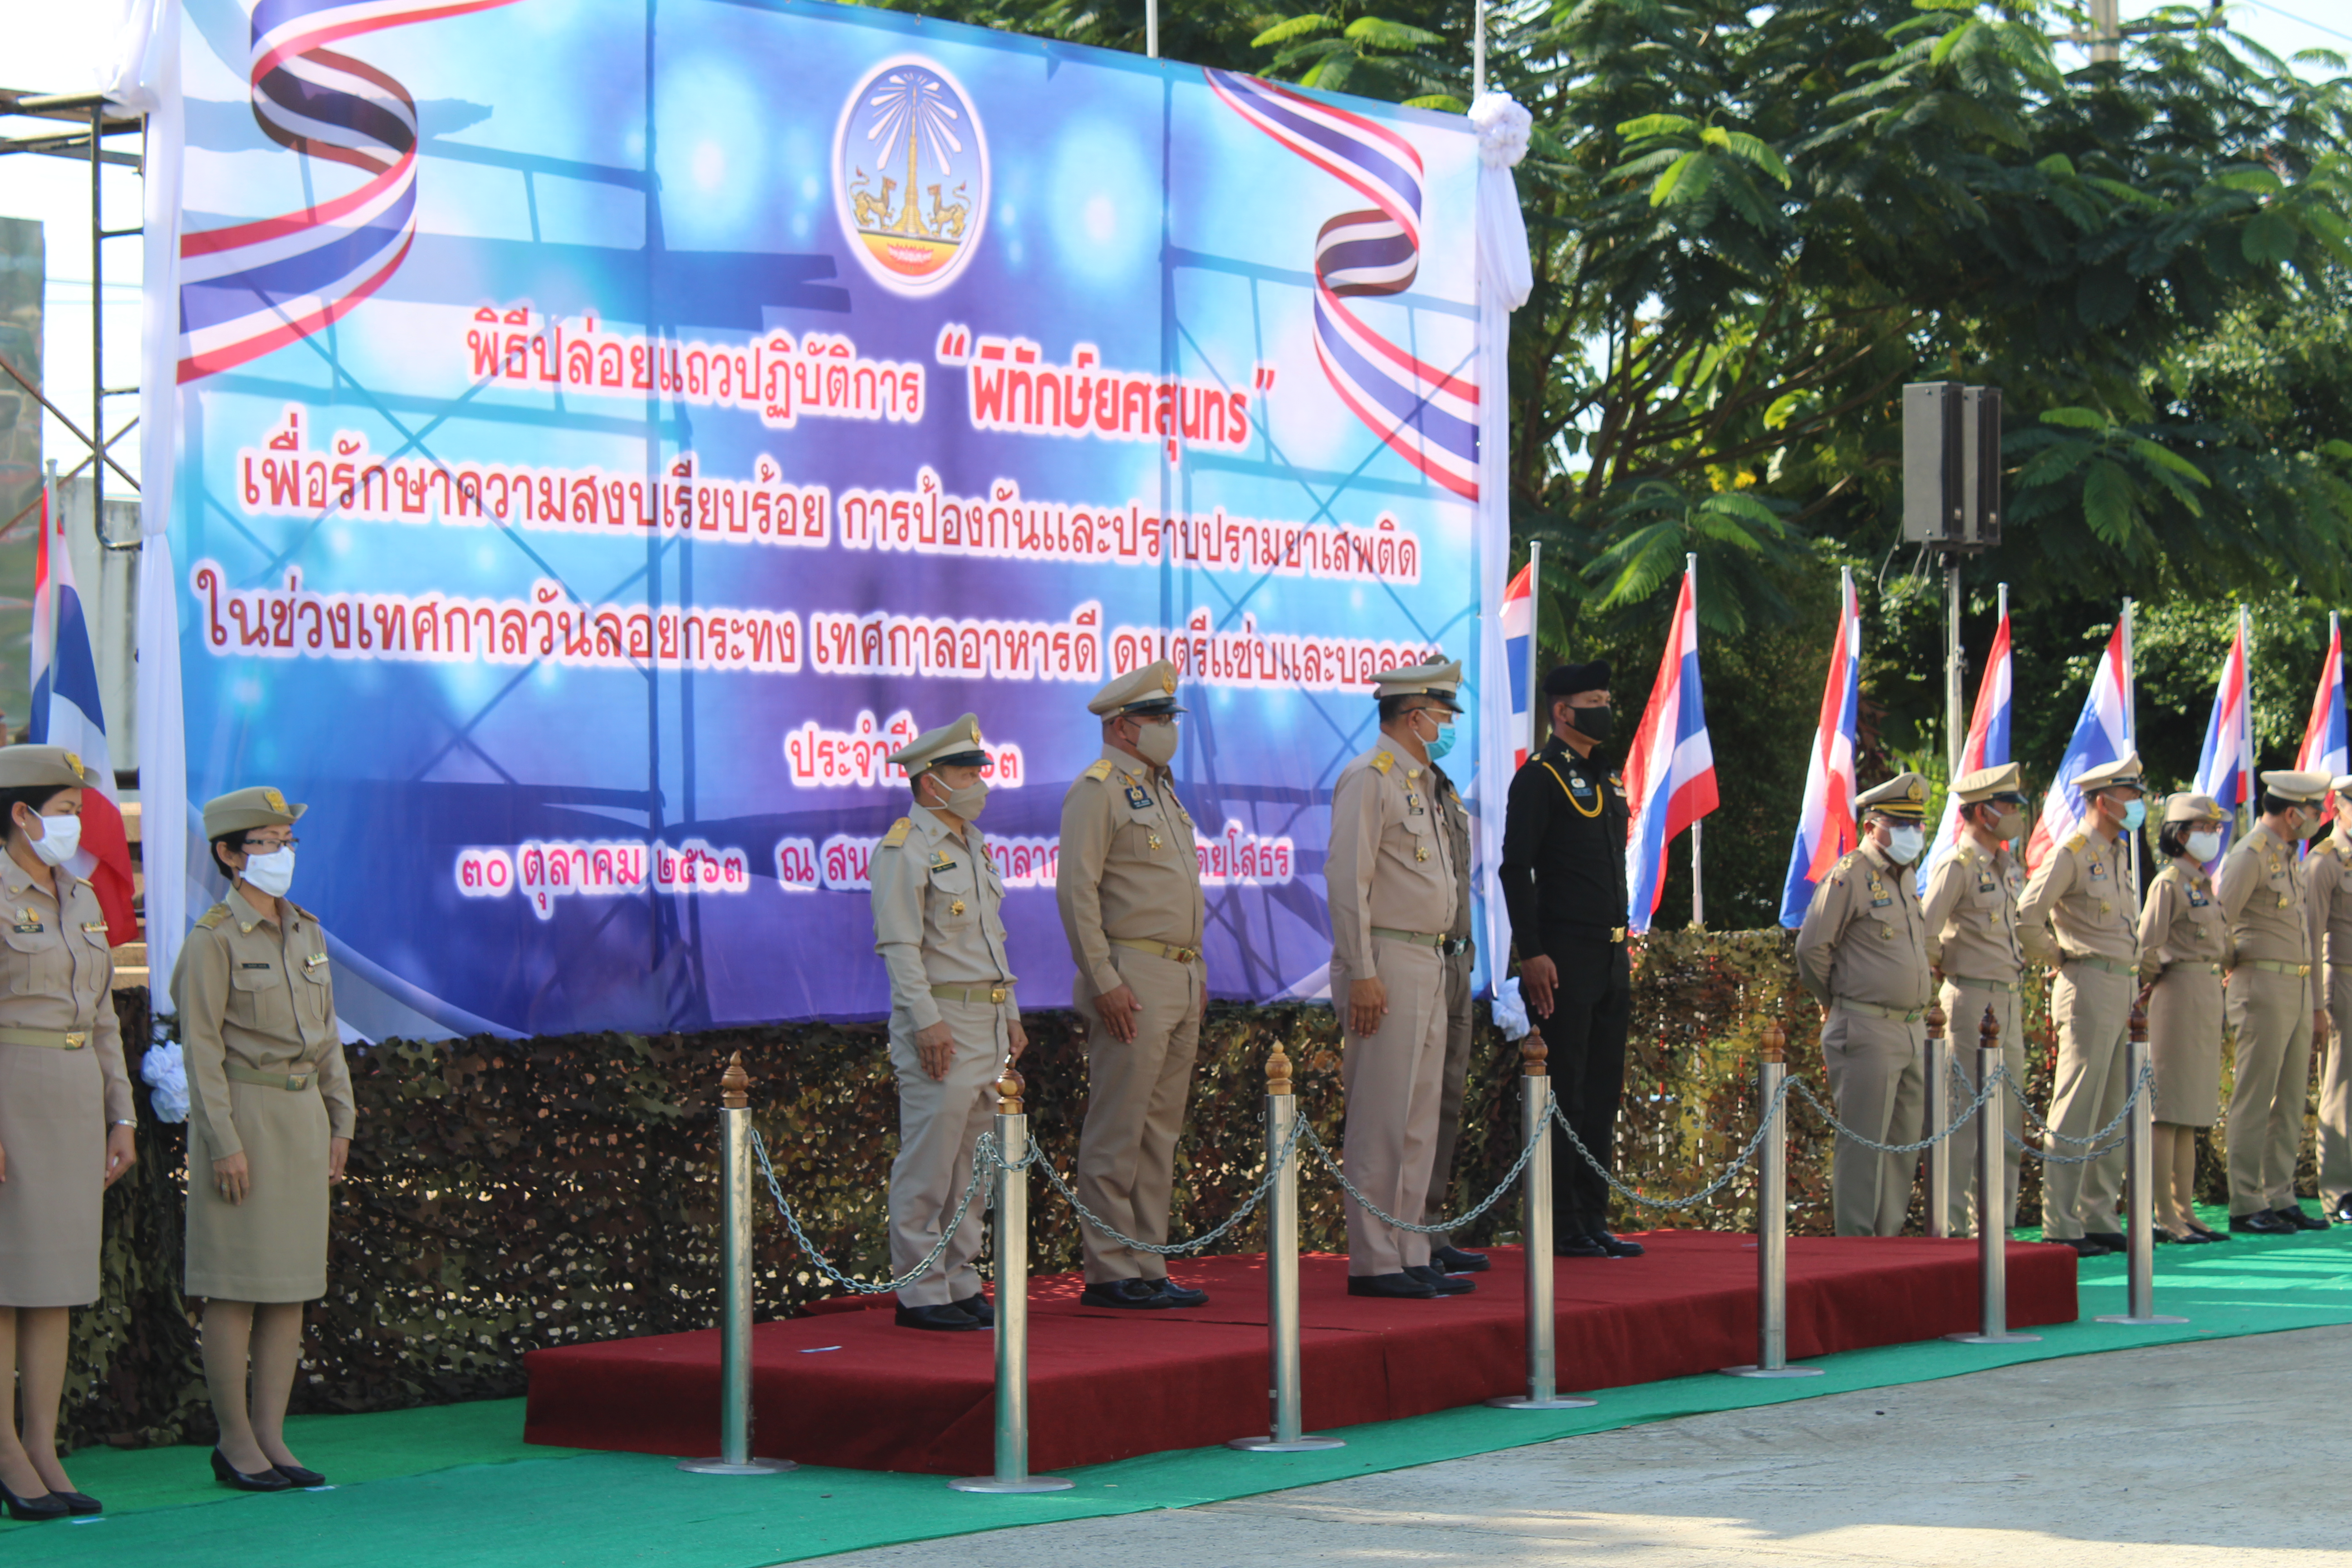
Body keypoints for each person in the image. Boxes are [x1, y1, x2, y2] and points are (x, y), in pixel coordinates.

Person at [175, 786, 354, 1492]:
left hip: (302, 1114)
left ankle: (272, 1435)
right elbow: (201, 1051)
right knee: (235, 1286)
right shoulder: (214, 938)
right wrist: (223, 1141)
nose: (282, 855)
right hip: (244, 1116)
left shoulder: (305, 930)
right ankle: (235, 1441)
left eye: (287, 843)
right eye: (267, 843)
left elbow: (328, 1036)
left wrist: (341, 1119)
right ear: (229, 854)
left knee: (290, 1286)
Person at [0, 746, 133, 1521]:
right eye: (65, 809)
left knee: (54, 1286)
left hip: (77, 1095)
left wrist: (123, 1114)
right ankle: (6, 1453)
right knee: (5, 1286)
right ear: (21, 814)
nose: (77, 823)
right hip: (13, 1092)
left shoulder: (79, 895)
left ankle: (42, 1447)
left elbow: (104, 1015)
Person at [1056, 662, 1210, 1309]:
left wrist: (1195, 972)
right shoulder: (1099, 790)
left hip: (1179, 972)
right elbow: (1077, 892)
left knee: (1159, 1131)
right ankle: (1109, 1268)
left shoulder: (1161, 790)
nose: (1169, 729)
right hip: (1133, 973)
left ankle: (1148, 1261)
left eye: (1171, 717)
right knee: (1119, 1127)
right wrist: (1104, 979)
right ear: (1123, 727)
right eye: (1158, 719)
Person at [870, 715, 1028, 1330]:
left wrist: (1010, 1013)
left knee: (973, 1164)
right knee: (931, 1161)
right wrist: (927, 1022)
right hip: (942, 1019)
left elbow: (992, 939)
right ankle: (919, 1290)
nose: (977, 783)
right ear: (929, 782)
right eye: (965, 774)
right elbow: (900, 947)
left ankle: (959, 1278)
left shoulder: (974, 844)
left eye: (977, 772)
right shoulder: (905, 848)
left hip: (986, 1017)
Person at [1327, 660, 1469, 1298]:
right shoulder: (1371, 777)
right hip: (1387, 958)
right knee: (1382, 1117)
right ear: (1415, 718)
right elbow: (1347, 880)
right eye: (1443, 716)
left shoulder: (1423, 783)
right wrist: (1361, 971)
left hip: (1429, 958)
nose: (1448, 727)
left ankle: (1410, 1249)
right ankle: (1374, 1259)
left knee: (1418, 1119)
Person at [1498, 662, 1642, 1260]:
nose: (1604, 709)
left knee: (1603, 1089)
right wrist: (1531, 951)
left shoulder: (1606, 777)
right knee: (1566, 1088)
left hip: (1610, 951)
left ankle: (1593, 1216)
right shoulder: (1541, 776)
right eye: (1593, 700)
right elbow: (1516, 868)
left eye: (1606, 699)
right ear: (1562, 711)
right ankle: (1560, 1223)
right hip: (1563, 953)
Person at [1794, 772, 1935, 1237]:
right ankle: (1856, 1247)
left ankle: (1887, 1243)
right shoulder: (1850, 875)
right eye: (1901, 824)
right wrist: (1835, 1001)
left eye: (1917, 824)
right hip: (1866, 1025)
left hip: (1910, 1027)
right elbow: (1812, 949)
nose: (1913, 833)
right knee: (1864, 1146)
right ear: (1872, 825)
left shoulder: (1906, 876)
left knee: (1902, 1147)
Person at [2018, 754, 2146, 1256]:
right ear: (2103, 801)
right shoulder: (2072, 853)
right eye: (2130, 795)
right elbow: (2027, 917)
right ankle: (2060, 1220)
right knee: (2076, 1106)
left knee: (2113, 1106)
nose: (2137, 804)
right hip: (2088, 982)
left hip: (2122, 986)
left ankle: (2098, 1213)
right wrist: (2060, 956)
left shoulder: (2117, 853)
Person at [2215, 769, 2332, 1235]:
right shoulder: (2250, 855)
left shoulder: (2286, 855)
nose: (2318, 817)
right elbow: (2219, 922)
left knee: (2289, 1097)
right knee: (2255, 1094)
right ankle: (2246, 1201)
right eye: (2313, 811)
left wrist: (2315, 1002)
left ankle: (2279, 1195)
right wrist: (2237, 964)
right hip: (2261, 985)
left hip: (2297, 986)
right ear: (2292, 814)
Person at [1920, 763, 2030, 1237]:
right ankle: (1952, 1231)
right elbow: (1924, 933)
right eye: (2008, 806)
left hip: (2007, 999)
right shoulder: (1957, 865)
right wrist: (1947, 967)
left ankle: (1997, 1228)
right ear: (1983, 813)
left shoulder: (2005, 867)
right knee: (1963, 1118)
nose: (2015, 815)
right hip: (1969, 1000)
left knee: (2007, 1122)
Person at [2138, 792, 2231, 1244]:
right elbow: (2147, 948)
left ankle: (2185, 1208)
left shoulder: (2203, 883)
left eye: (2215, 828)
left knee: (2192, 1109)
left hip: (2206, 992)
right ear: (2179, 834)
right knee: (2168, 1110)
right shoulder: (2169, 884)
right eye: (2204, 828)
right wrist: (2153, 984)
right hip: (2176, 993)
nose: (2212, 836)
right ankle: (2163, 1211)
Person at [1418, 743, 1490, 1277]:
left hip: (1457, 960)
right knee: (1411, 1107)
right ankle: (1400, 1236)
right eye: (1438, 713)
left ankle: (1431, 1226)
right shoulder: (1387, 783)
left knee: (1446, 1100)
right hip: (1419, 958)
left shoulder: (1445, 789)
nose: (1446, 727)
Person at [2309, 777, 2352, 1225]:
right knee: (2341, 1085)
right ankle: (2339, 1191)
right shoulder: (2325, 861)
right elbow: (2311, 935)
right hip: (2342, 979)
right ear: (2338, 808)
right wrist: (2317, 1005)